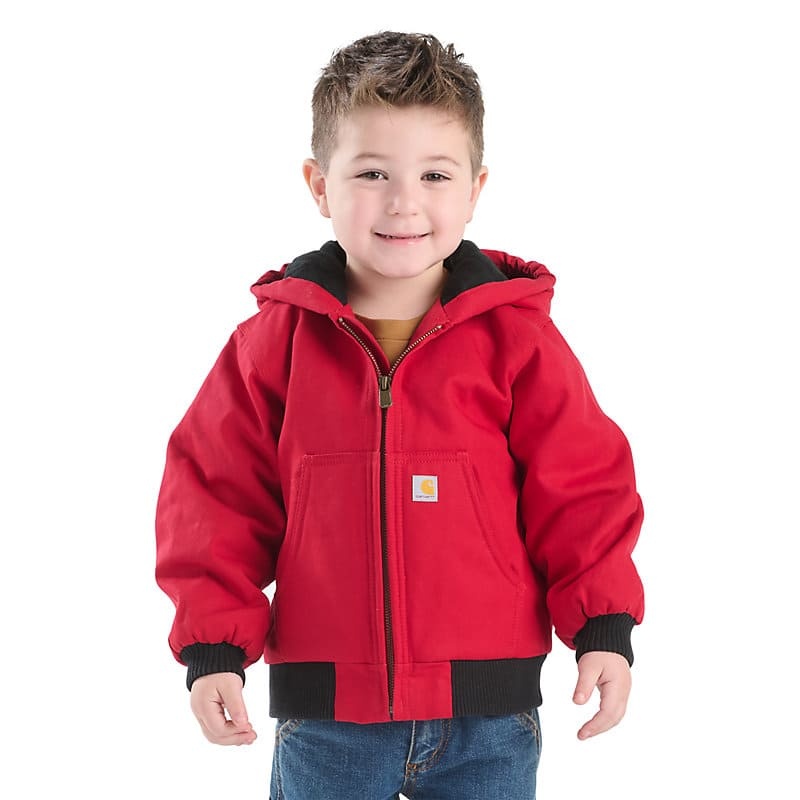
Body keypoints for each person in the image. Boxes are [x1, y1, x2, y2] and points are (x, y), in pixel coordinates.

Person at [155, 30, 644, 800]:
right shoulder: (273, 345)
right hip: (329, 721)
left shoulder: (519, 341)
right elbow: (213, 497)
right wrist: (214, 649)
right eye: (372, 172)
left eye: (435, 174)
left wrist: (601, 628)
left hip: (488, 717)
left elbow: (583, 489)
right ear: (320, 185)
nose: (404, 201)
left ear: (475, 189)